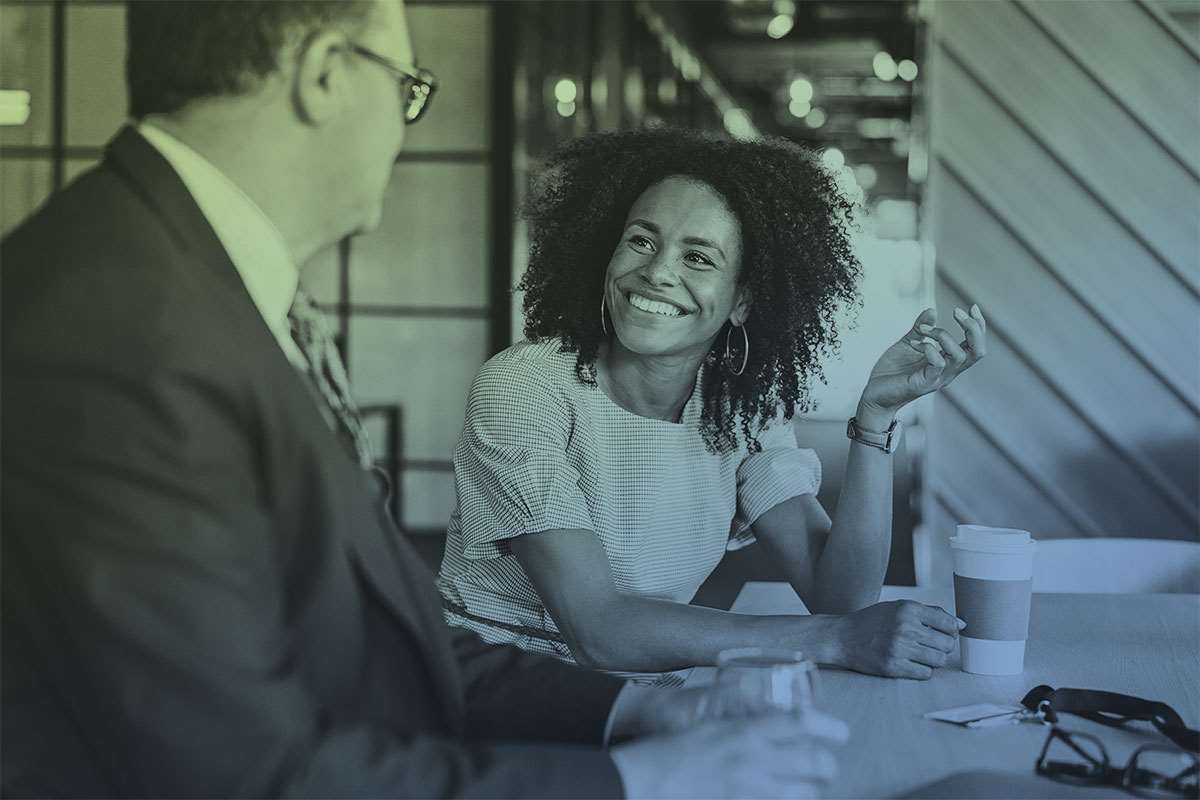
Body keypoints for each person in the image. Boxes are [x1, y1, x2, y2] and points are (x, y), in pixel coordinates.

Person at [0, 3, 848, 797]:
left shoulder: (195, 279)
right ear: (325, 73)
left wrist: (629, 712)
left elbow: (380, 634)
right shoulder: (115, 326)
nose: (406, 126)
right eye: (408, 86)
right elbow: (240, 770)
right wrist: (640, 782)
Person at [437, 130, 989, 679]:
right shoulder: (524, 387)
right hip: (500, 692)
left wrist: (875, 418)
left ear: (743, 300)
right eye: (641, 241)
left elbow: (841, 598)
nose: (657, 272)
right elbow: (598, 629)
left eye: (698, 257)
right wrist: (833, 639)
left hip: (650, 694)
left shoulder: (737, 406)